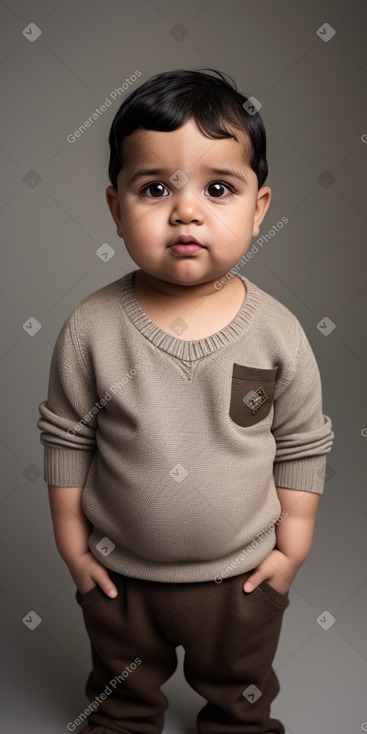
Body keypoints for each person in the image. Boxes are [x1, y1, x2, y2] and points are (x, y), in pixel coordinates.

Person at [38, 68, 334, 734]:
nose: (186, 211)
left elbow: (301, 441)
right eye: (155, 188)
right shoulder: (91, 327)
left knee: (241, 696)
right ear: (116, 209)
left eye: (218, 188)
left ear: (259, 207)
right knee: (120, 698)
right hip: (120, 579)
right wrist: (72, 548)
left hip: (240, 580)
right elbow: (66, 438)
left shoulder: (276, 332)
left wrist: (292, 548)